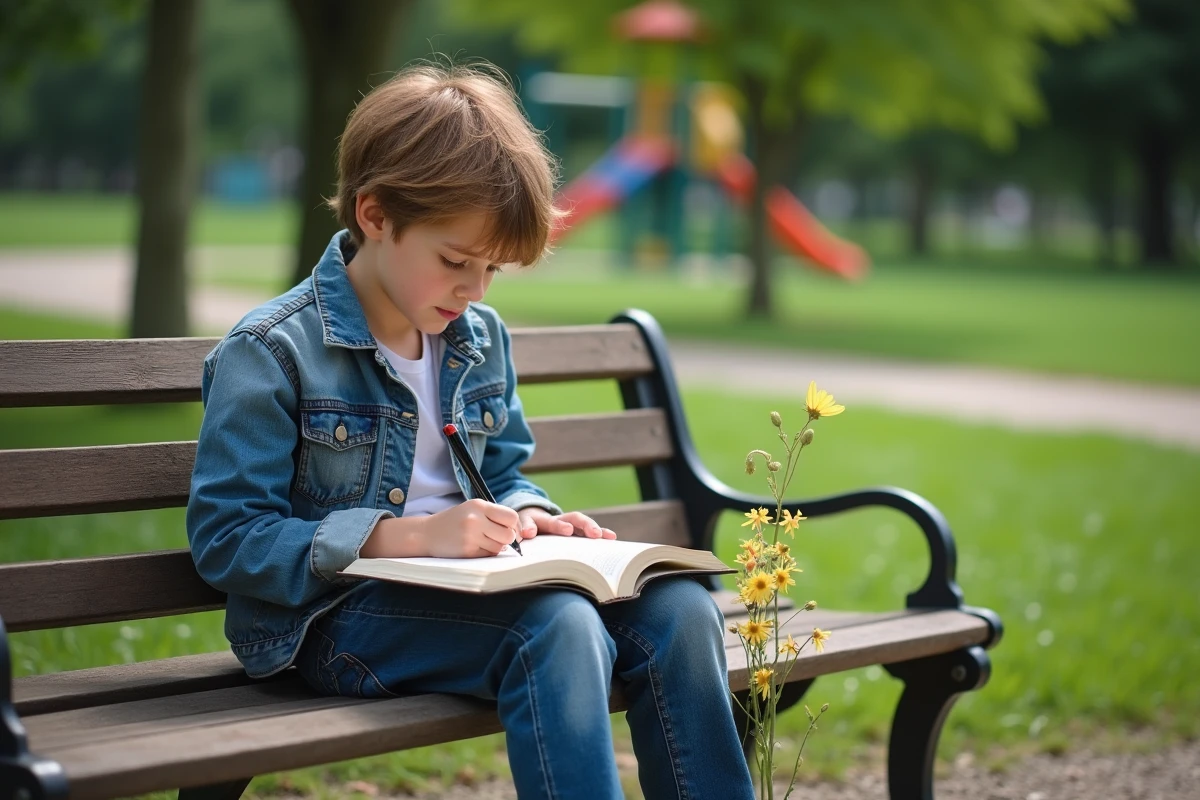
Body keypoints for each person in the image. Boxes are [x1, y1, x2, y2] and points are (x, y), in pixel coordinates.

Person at [186, 62, 754, 800]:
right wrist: (407, 538)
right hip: (331, 621)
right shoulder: (272, 352)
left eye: (492, 269)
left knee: (680, 611)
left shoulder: (476, 337)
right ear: (375, 215)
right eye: (456, 261)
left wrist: (533, 518)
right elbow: (228, 538)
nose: (475, 290)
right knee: (555, 627)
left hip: (478, 594)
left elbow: (507, 467)